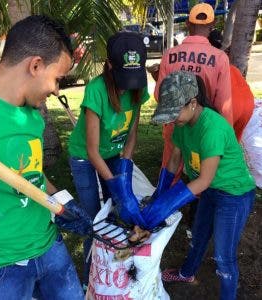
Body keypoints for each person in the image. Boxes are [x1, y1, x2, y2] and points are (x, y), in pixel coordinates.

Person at [0, 15, 92, 300]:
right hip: (0, 266)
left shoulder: (32, 116)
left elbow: (32, 174)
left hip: (48, 246)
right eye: (57, 79)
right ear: (35, 65)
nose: (57, 89)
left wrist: (63, 201)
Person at [151, 71, 255, 300]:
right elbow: (175, 157)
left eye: (174, 112)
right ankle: (187, 273)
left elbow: (204, 179)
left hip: (234, 195)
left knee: (223, 256)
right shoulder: (182, 123)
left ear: (193, 103)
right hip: (209, 190)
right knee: (198, 235)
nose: (171, 119)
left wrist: (168, 203)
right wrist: (162, 190)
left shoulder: (212, 129)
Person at [68, 31, 149, 289]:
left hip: (113, 153)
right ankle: (88, 278)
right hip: (84, 157)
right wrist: (115, 182)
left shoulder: (139, 86)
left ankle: (113, 268)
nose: (128, 86)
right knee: (94, 218)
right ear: (110, 65)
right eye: (123, 77)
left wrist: (124, 169)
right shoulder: (96, 90)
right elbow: (92, 150)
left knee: (116, 212)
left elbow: (132, 134)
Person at [153, 3, 232, 173]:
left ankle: (165, 196)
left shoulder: (170, 55)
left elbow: (159, 95)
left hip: (175, 121)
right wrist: (226, 135)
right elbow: (223, 103)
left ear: (188, 24)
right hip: (204, 126)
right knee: (202, 171)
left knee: (170, 168)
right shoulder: (220, 57)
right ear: (212, 26)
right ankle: (197, 197)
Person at [208, 29, 254, 141]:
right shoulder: (225, 61)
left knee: (216, 146)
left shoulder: (211, 63)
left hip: (231, 105)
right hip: (248, 104)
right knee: (232, 144)